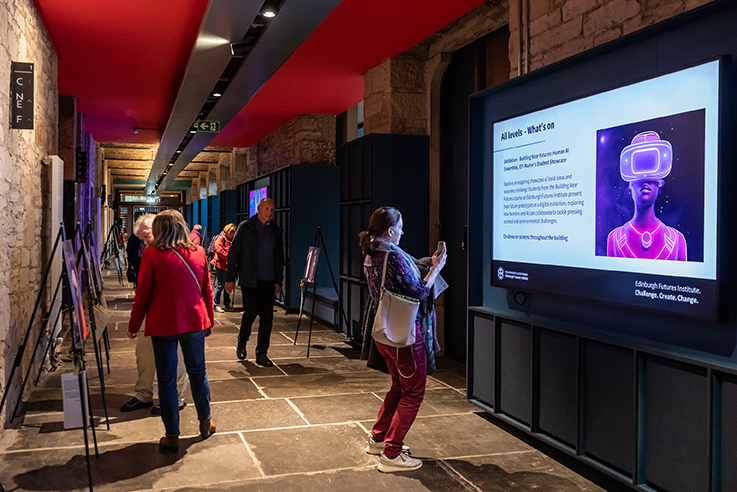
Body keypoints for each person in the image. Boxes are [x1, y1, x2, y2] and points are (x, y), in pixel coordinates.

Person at [359, 206, 446, 473]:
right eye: (400, 227)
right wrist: (437, 268)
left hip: (384, 334)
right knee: (414, 391)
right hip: (404, 336)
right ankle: (392, 453)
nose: (403, 231)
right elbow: (419, 291)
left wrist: (426, 264)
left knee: (399, 387)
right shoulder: (393, 257)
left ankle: (378, 438)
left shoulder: (373, 253)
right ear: (390, 230)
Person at [128, 210, 216, 452]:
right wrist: (209, 319)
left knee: (166, 380)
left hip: (163, 323)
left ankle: (172, 435)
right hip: (194, 321)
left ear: (159, 230)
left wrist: (134, 324)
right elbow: (206, 290)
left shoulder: (152, 255)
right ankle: (205, 421)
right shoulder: (198, 253)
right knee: (198, 372)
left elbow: (142, 294)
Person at [120, 214, 189, 414]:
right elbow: (142, 289)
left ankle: (176, 397)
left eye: (146, 235)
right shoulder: (148, 252)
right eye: (140, 237)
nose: (143, 240)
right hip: (151, 311)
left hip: (175, 313)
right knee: (144, 352)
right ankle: (143, 393)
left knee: (177, 357)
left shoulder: (179, 251)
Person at [607, 131, 686, 260]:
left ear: (660, 185)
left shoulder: (677, 240)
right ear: (630, 186)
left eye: (651, 177)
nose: (645, 181)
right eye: (638, 178)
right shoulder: (614, 238)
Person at [225, 198, 284, 367]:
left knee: (267, 317)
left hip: (268, 279)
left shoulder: (275, 231)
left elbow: (279, 258)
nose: (269, 212)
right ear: (258, 209)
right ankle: (242, 340)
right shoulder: (246, 227)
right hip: (250, 279)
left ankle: (262, 353)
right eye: (266, 209)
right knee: (250, 312)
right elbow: (234, 253)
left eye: (272, 210)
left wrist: (278, 280)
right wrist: (230, 277)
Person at [212, 223, 236, 312]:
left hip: (228, 265)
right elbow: (219, 250)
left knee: (227, 284)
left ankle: (227, 303)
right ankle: (216, 304)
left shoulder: (231, 239)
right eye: (232, 233)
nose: (233, 235)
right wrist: (229, 256)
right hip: (221, 265)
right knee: (220, 284)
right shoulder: (221, 238)